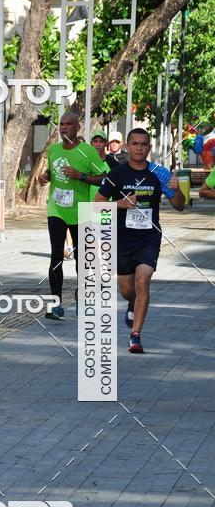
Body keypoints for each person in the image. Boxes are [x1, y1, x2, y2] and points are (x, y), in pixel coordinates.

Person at [94, 128, 185, 354]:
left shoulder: (160, 174)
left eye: (144, 144)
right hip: (122, 237)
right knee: (126, 288)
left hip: (148, 237)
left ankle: (135, 336)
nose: (139, 148)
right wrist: (120, 205)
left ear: (149, 148)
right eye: (135, 144)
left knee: (143, 280)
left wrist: (178, 190)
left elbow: (180, 205)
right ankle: (132, 303)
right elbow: (96, 206)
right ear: (127, 146)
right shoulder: (116, 175)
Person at [38, 111, 108, 320]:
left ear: (78, 127)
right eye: (61, 124)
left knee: (81, 259)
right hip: (57, 209)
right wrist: (45, 177)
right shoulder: (53, 150)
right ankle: (55, 304)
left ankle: (82, 295)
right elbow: (52, 171)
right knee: (56, 255)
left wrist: (81, 176)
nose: (64, 127)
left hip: (81, 211)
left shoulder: (88, 151)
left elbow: (104, 179)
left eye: (69, 124)